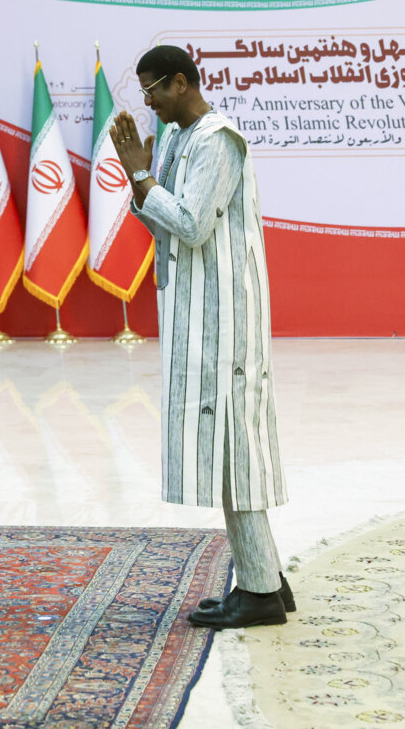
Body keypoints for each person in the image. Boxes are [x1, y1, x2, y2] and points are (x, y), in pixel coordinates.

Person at [111, 45, 291, 630]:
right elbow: (162, 219)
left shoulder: (217, 140)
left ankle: (260, 595)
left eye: (153, 90)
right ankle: (265, 577)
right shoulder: (175, 138)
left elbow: (190, 225)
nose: (147, 102)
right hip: (197, 312)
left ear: (181, 83)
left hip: (227, 316)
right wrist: (140, 178)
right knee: (228, 448)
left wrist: (142, 176)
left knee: (235, 449)